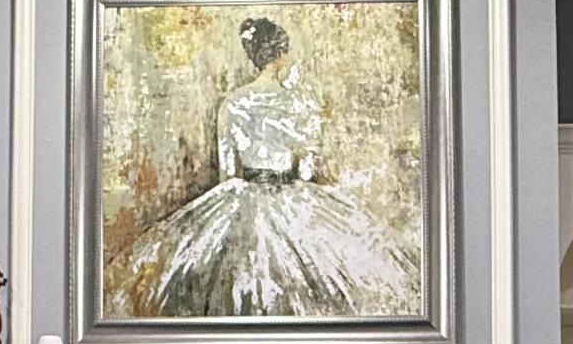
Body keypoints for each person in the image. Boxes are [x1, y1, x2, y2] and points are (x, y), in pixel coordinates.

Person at [123, 17, 419, 318]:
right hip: (292, 198)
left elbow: (228, 171)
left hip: (242, 197)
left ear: (254, 56)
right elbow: (305, 169)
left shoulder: (232, 102)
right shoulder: (298, 103)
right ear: (280, 55)